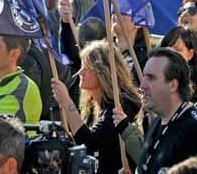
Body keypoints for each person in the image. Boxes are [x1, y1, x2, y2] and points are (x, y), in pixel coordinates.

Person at [50, 40, 142, 174]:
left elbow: (88, 143)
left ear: (103, 72)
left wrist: (66, 102)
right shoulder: (92, 104)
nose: (80, 72)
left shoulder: (122, 104)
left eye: (86, 68)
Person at [138, 48, 197, 174]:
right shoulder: (157, 121)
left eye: (151, 78)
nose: (142, 86)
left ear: (173, 85)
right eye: (144, 76)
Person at [160, 27, 197, 96]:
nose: (170, 54)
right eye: (167, 50)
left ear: (190, 54)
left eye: (177, 50)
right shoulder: (156, 77)